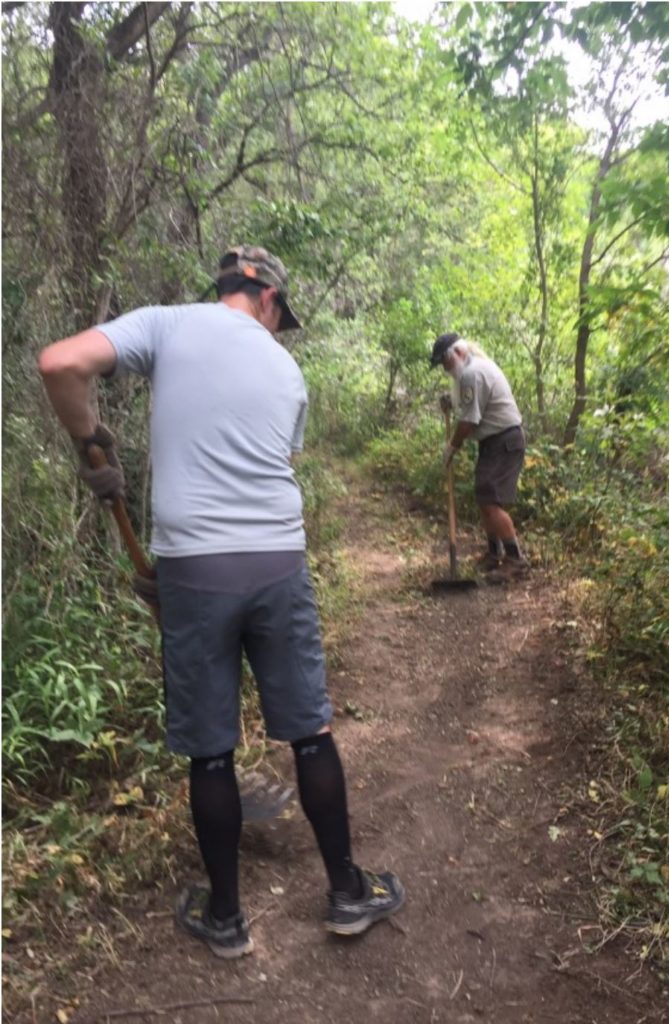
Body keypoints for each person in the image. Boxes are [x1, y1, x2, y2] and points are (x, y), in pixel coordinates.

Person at [38, 245, 404, 959]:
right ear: (267, 298)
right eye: (280, 315)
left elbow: (59, 364)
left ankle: (227, 918)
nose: (276, 327)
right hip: (278, 563)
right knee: (310, 732)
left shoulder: (166, 324)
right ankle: (346, 892)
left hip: (193, 570)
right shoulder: (285, 369)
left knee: (209, 750)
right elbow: (268, 466)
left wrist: (90, 442)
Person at [430, 332, 527, 573]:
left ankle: (515, 559)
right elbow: (473, 403)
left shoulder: (472, 373)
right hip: (494, 442)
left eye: (445, 362)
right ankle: (494, 553)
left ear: (458, 352)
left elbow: (469, 420)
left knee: (491, 501)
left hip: (504, 441)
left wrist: (452, 447)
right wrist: (452, 402)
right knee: (484, 497)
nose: (445, 368)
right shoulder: (472, 370)